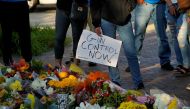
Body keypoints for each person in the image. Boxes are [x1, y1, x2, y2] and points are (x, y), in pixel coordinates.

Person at [90, 0, 144, 89]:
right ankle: (115, 80)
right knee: (110, 54)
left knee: (131, 52)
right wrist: (96, 24)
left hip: (124, 20)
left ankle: (138, 81)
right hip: (106, 20)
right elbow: (94, 3)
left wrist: (129, 7)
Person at [134, 0, 175, 71]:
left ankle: (165, 61)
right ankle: (134, 62)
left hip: (160, 4)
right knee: (139, 34)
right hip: (144, 4)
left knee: (162, 34)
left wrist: (169, 4)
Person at [54, 0, 88, 67]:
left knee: (77, 38)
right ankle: (57, 65)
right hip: (62, 8)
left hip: (78, 7)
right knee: (59, 37)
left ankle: (75, 66)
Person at [0, 0, 32, 66]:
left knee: (25, 34)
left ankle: (27, 61)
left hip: (21, 3)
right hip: (5, 4)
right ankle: (7, 62)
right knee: (7, 34)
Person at [165, 0, 189, 73]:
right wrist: (170, 4)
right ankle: (180, 64)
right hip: (169, 7)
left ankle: (187, 65)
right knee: (175, 37)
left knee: (181, 37)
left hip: (185, 7)